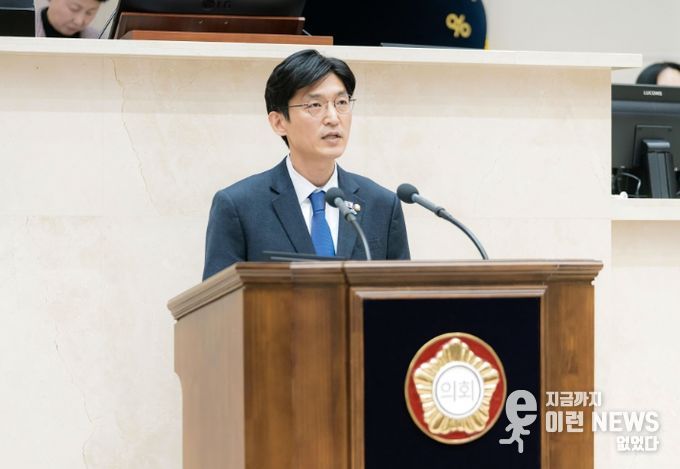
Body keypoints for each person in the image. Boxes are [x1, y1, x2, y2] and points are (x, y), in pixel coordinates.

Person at [202, 49, 410, 279]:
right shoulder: (239, 207)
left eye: (341, 102)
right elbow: (219, 300)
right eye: (315, 105)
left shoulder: (382, 205)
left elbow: (402, 295)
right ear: (279, 122)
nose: (333, 118)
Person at [34, 0, 107, 38]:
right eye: (74, 8)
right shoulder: (27, 32)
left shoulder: (99, 40)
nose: (79, 21)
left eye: (89, 12)